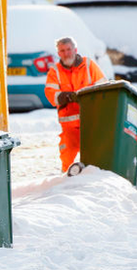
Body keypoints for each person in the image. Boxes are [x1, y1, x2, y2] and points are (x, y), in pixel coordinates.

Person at [44, 36, 106, 173]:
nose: (66, 53)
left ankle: (96, 177)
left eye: (68, 49)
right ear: (58, 53)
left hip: (92, 121)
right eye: (62, 50)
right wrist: (65, 96)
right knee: (67, 154)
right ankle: (67, 178)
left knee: (95, 155)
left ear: (75, 49)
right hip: (69, 125)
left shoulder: (89, 65)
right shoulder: (55, 71)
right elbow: (50, 93)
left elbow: (103, 87)